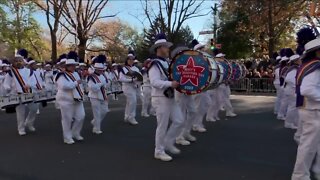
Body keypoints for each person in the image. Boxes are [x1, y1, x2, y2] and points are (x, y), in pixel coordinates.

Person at [148, 33, 184, 161]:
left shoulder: (167, 63)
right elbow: (154, 82)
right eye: (166, 47)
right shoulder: (155, 64)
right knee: (162, 125)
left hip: (169, 96)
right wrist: (170, 83)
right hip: (159, 97)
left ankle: (168, 142)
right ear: (159, 48)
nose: (168, 49)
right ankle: (158, 151)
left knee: (179, 120)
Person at [292, 38, 320, 180]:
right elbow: (307, 90)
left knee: (314, 144)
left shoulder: (307, 65)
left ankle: (317, 169)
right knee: (308, 146)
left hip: (310, 109)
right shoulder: (315, 67)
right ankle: (300, 175)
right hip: (312, 110)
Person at [3, 50, 37, 136]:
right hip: (17, 94)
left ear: (23, 61)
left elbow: (34, 82)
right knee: (20, 113)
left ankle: (29, 122)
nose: (18, 62)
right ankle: (21, 128)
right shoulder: (11, 73)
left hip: (29, 93)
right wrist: (8, 88)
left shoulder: (29, 71)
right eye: (16, 61)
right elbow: (6, 84)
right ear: (13, 62)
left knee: (34, 109)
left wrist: (29, 85)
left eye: (20, 60)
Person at [55, 51, 85, 144]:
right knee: (67, 119)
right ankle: (67, 137)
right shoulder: (61, 75)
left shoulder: (76, 74)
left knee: (81, 116)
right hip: (66, 100)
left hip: (77, 99)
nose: (73, 67)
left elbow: (80, 86)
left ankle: (75, 133)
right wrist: (76, 82)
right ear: (66, 66)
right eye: (70, 65)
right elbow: (64, 86)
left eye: (74, 65)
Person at [87, 55, 109, 134]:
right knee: (97, 113)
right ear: (95, 69)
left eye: (102, 70)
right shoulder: (91, 77)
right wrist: (101, 84)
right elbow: (93, 88)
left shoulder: (103, 76)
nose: (101, 71)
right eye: (99, 70)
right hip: (94, 96)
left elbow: (106, 85)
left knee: (105, 111)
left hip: (102, 95)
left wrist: (105, 84)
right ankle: (96, 129)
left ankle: (95, 122)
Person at [118, 51, 141, 125]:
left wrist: (138, 82)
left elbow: (140, 78)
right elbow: (120, 79)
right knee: (133, 101)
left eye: (132, 59)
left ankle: (127, 116)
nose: (131, 61)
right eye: (129, 59)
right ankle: (132, 117)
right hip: (127, 87)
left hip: (134, 87)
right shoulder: (124, 68)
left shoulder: (136, 68)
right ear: (127, 60)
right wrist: (130, 80)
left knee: (129, 102)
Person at [283, 54, 300, 129]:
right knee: (292, 107)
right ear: (296, 61)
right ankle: (289, 123)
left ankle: (292, 122)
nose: (301, 61)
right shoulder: (293, 69)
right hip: (292, 90)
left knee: (293, 107)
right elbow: (289, 79)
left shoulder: (294, 68)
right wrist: (297, 87)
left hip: (291, 89)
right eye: (299, 59)